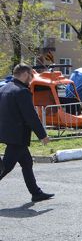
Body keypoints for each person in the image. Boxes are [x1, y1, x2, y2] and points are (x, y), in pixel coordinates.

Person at [0, 63, 53, 202]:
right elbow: (30, 116)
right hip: (18, 136)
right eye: (31, 75)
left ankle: (36, 192)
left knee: (27, 162)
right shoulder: (22, 91)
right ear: (24, 74)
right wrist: (43, 135)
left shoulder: (4, 89)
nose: (32, 78)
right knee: (6, 167)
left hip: (8, 134)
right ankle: (36, 192)